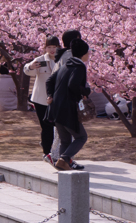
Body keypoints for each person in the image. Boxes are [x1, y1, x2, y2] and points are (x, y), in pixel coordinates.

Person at [45, 38, 92, 171]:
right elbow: (73, 85)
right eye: (88, 52)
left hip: (56, 108)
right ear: (84, 53)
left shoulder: (66, 65)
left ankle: (63, 166)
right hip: (68, 108)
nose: (89, 55)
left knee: (65, 140)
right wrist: (85, 91)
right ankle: (64, 159)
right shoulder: (79, 66)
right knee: (81, 137)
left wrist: (50, 95)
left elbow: (49, 80)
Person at [23, 36, 61, 165]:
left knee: (58, 127)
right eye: (49, 47)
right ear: (45, 48)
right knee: (46, 127)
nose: (51, 50)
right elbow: (27, 71)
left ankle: (56, 152)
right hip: (41, 99)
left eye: (54, 47)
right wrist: (31, 67)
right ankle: (46, 153)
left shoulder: (62, 60)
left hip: (57, 99)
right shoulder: (40, 60)